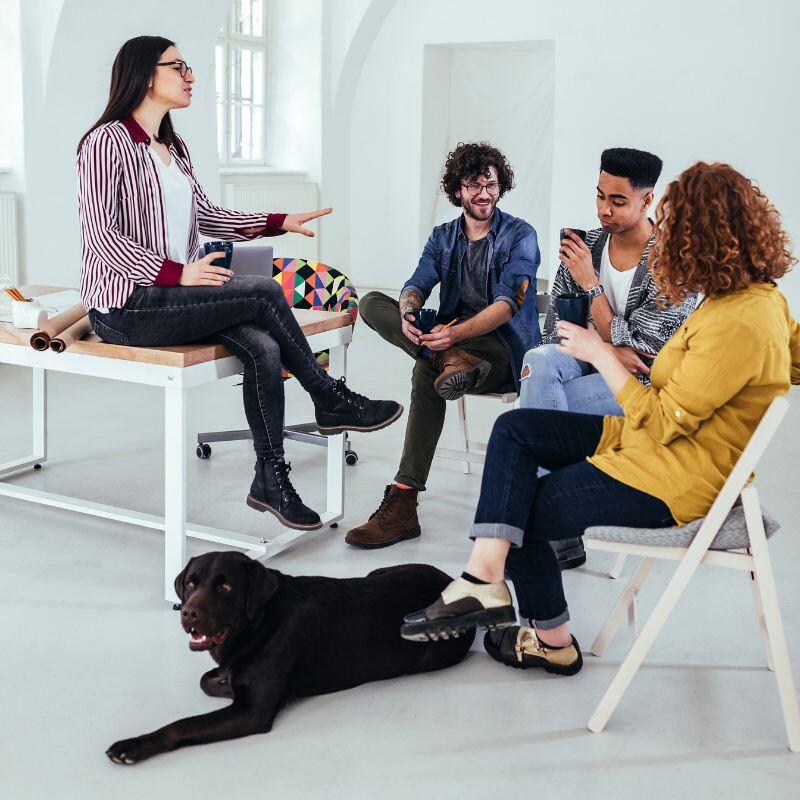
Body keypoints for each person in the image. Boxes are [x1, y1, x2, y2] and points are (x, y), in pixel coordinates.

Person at [401, 162, 799, 678]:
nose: (668, 241)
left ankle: (549, 638)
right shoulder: (754, 299)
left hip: (673, 476)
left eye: (676, 228)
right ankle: (483, 581)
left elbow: (662, 420)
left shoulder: (738, 320)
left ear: (701, 238)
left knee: (518, 505)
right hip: (651, 444)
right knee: (515, 430)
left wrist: (601, 353)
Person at [77, 36, 402, 531]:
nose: (190, 76)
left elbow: (207, 215)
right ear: (144, 74)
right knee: (263, 289)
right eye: (178, 67)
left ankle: (270, 476)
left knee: (263, 348)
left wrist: (277, 221)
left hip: (175, 298)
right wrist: (179, 273)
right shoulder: (106, 143)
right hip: (126, 307)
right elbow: (101, 235)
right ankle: (328, 398)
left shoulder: (173, 147)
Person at [344, 142, 541, 549]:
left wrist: (454, 336)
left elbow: (507, 305)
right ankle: (448, 359)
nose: (484, 193)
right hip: (451, 344)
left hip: (501, 353)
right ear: (457, 190)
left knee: (425, 368)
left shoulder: (520, 235)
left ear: (501, 185)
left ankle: (403, 501)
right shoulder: (442, 237)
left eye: (491, 184)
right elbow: (416, 284)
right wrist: (408, 312)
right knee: (371, 302)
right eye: (474, 185)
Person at [522, 147, 697, 570]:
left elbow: (649, 351)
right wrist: (610, 348)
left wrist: (590, 284)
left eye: (618, 201)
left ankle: (546, 521)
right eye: (600, 196)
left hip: (642, 387)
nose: (604, 210)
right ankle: (558, 522)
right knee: (539, 360)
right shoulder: (585, 245)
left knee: (536, 408)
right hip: (587, 364)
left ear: (647, 200)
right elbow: (556, 330)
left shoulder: (674, 260)